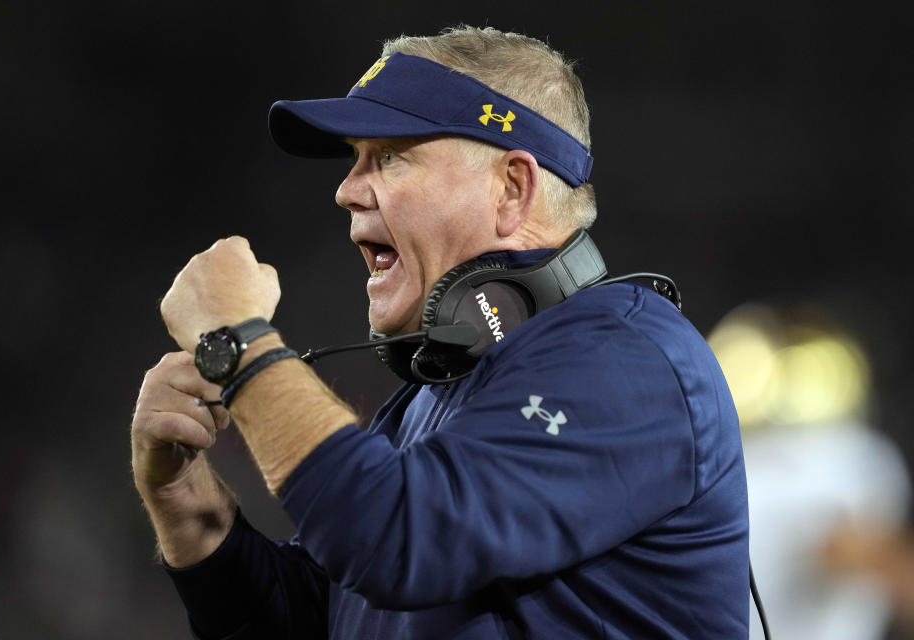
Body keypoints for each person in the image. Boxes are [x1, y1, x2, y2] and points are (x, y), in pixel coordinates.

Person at [131, 26, 750, 639]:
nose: (345, 190)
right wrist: (186, 503)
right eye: (354, 160)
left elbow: (398, 536)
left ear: (512, 189)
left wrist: (240, 346)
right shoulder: (438, 389)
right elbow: (329, 614)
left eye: (390, 156)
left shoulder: (629, 363)